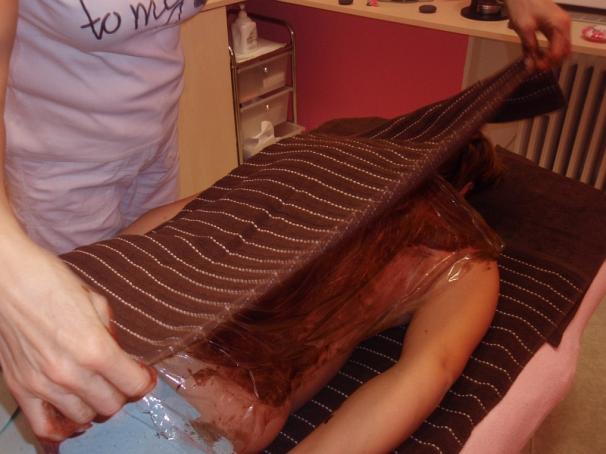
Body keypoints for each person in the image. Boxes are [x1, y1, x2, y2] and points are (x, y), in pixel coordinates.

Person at [0, 0, 571, 444]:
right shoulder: (462, 263)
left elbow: (174, 224)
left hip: (107, 333)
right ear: (464, 189)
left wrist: (83, 295)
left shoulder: (307, 152)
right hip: (193, 409)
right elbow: (421, 378)